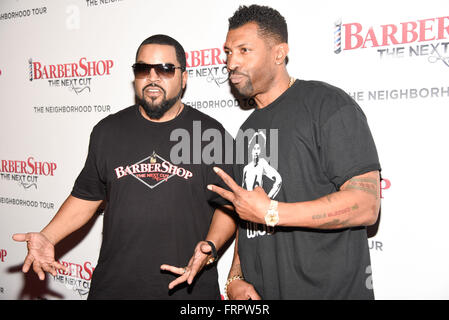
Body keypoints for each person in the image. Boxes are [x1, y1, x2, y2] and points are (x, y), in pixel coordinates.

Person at [12, 34, 236, 300]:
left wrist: (210, 246)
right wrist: (48, 236)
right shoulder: (107, 131)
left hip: (188, 289)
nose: (153, 77)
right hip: (115, 288)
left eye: (165, 69)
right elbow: (86, 197)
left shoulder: (210, 134)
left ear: (184, 78)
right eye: (143, 69)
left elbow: (230, 205)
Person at [206, 5, 382, 299]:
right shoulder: (246, 131)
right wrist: (236, 276)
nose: (231, 62)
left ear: (279, 53)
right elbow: (248, 214)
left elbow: (366, 204)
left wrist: (273, 212)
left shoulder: (326, 105)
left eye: (244, 50)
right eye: (227, 52)